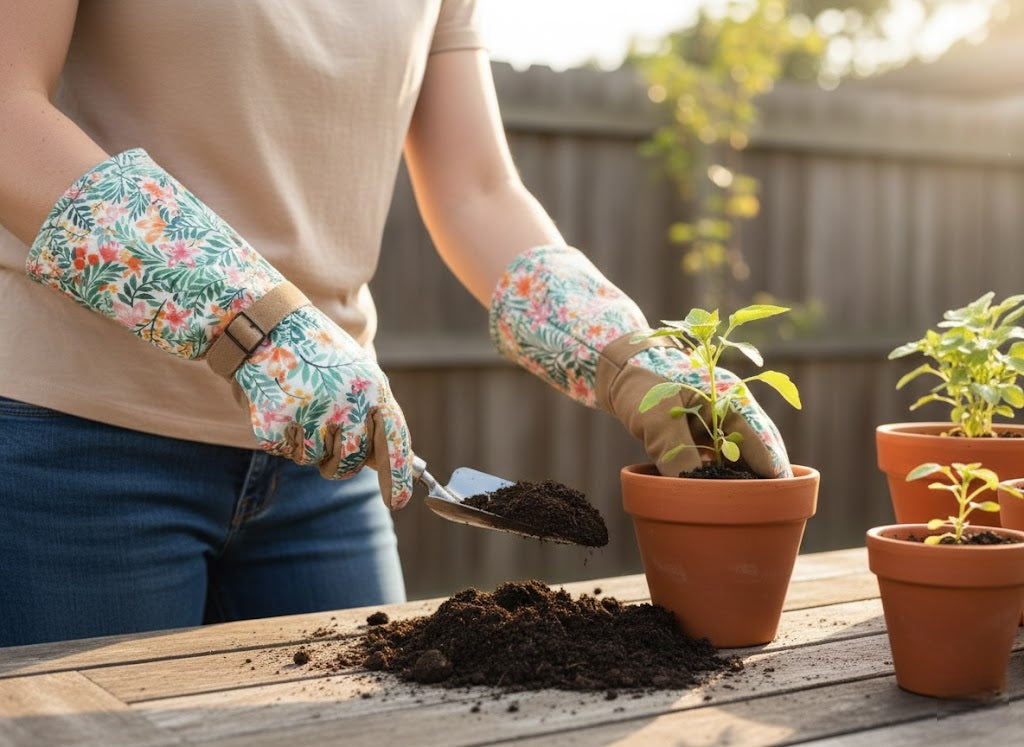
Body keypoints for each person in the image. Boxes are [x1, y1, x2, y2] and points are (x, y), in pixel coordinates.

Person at [0, 1, 791, 648]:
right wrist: (253, 321)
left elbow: (475, 190)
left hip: (325, 457)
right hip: (76, 444)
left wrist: (623, 355)